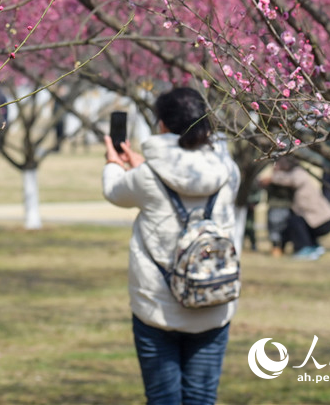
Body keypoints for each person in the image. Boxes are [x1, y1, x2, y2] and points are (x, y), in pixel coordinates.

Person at [102, 87, 241, 405]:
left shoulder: (147, 177)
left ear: (161, 125)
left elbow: (114, 191)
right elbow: (185, 177)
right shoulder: (228, 170)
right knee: (202, 398)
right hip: (214, 301)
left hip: (157, 308)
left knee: (162, 399)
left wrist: (113, 162)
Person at [264, 157, 330, 260]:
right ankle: (313, 247)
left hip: (323, 221)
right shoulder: (297, 173)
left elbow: (292, 180)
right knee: (299, 221)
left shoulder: (299, 173)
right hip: (318, 220)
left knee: (295, 221)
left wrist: (272, 177)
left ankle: (305, 248)